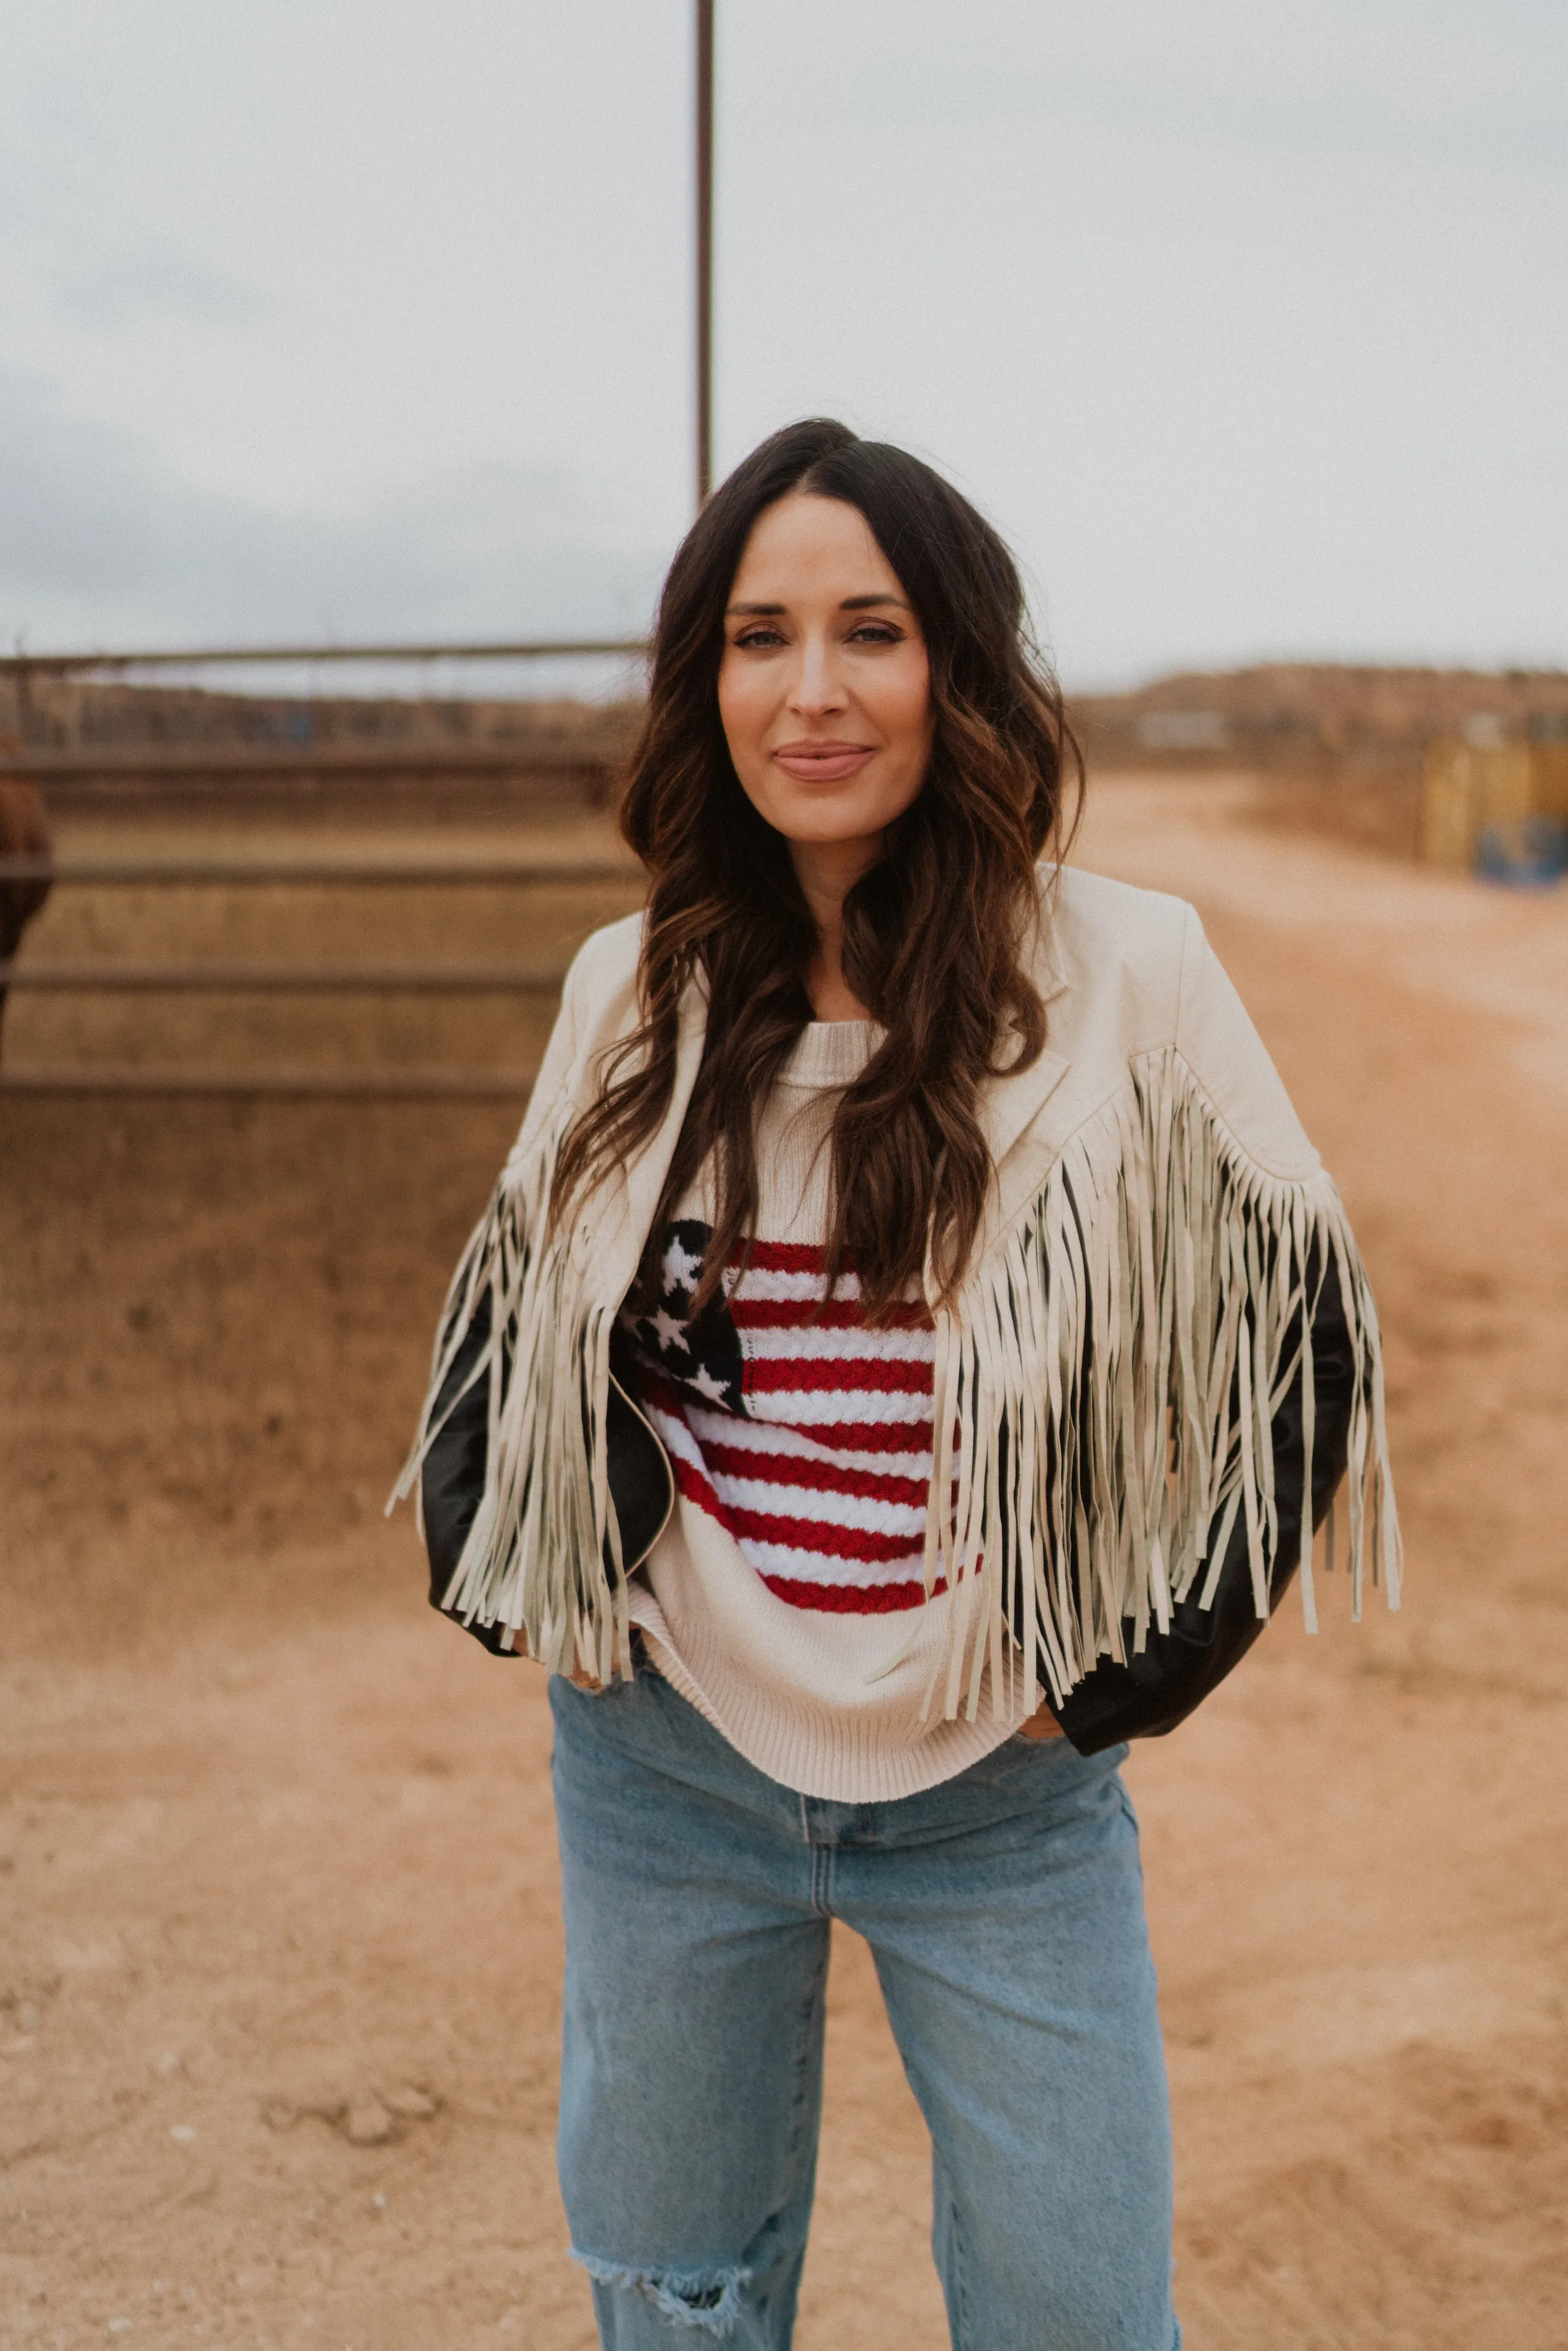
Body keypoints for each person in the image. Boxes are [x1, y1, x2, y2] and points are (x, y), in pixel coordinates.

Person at [398, 419, 1399, 2350]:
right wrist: (513, 1569)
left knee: (1077, 2314)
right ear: (706, 681)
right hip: (668, 1764)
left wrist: (1123, 1671)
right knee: (680, 2300)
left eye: (871, 629)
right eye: (759, 636)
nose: (814, 689)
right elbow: (509, 1304)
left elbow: (1310, 1335)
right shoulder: (631, 986)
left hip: (999, 1794)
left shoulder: (1130, 975)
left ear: (959, 662)